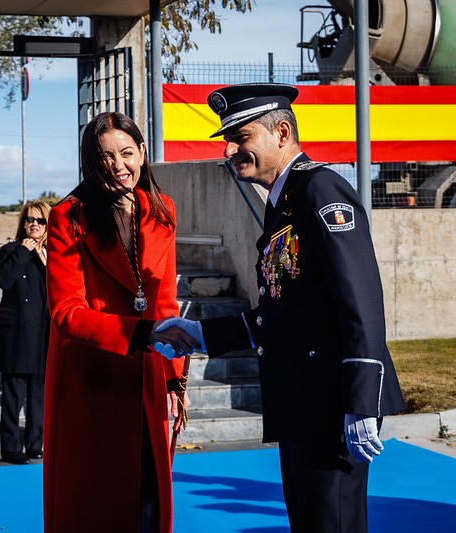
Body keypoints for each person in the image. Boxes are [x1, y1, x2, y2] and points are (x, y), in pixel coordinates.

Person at [156, 83, 406, 533]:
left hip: (331, 402)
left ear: (282, 132)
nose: (230, 149)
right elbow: (284, 309)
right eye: (228, 139)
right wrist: (200, 334)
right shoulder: (282, 204)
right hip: (302, 399)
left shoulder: (320, 190)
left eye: (242, 137)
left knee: (334, 523)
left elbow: (360, 298)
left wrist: (361, 398)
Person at [43, 111, 196, 533]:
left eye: (127, 153)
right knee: (95, 509)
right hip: (88, 386)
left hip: (147, 378)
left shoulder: (163, 209)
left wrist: (173, 381)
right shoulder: (67, 217)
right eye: (105, 157)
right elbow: (65, 314)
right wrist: (142, 335)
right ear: (90, 162)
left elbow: (164, 301)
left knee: (148, 506)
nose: (118, 166)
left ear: (143, 153)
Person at [0, 200, 51, 465]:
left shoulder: (54, 254)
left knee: (38, 394)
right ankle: (10, 447)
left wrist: (43, 258)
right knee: (13, 393)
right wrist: (23, 253)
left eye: (40, 221)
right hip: (15, 333)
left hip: (42, 332)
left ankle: (35, 444)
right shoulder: (10, 250)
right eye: (29, 220)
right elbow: (4, 281)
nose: (34, 225)